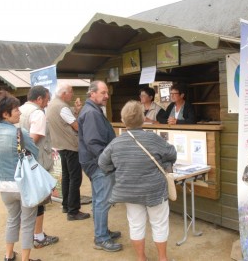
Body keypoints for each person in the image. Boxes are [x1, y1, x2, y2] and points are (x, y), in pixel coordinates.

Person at [99, 100, 177, 261]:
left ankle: (141, 258)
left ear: (123, 120)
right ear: (142, 119)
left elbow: (102, 163)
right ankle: (163, 258)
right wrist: (165, 163)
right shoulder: (153, 138)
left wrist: (117, 170)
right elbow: (172, 153)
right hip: (155, 190)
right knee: (159, 224)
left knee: (136, 224)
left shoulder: (116, 142)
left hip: (129, 190)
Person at [0, 90, 41, 261]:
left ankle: (9, 255)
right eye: (16, 109)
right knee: (27, 223)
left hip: (2, 184)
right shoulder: (20, 133)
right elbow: (35, 153)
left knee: (12, 219)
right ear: (5, 113)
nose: (20, 112)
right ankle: (25, 259)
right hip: (23, 184)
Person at [78, 80, 122, 252]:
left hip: (94, 163)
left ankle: (102, 232)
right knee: (102, 201)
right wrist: (108, 161)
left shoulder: (92, 110)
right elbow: (94, 143)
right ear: (92, 93)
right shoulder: (91, 113)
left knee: (98, 200)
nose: (106, 96)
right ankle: (101, 238)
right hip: (98, 164)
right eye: (103, 93)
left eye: (107, 92)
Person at [18, 86, 59, 249]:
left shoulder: (20, 110)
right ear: (40, 99)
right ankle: (39, 236)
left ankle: (34, 235)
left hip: (23, 163)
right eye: (47, 99)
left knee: (28, 200)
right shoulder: (37, 113)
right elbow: (33, 139)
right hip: (36, 163)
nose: (47, 103)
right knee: (39, 201)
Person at [46, 81, 90, 221]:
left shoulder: (52, 105)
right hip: (71, 145)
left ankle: (66, 205)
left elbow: (65, 120)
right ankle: (73, 210)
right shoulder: (62, 107)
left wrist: (76, 110)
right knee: (75, 178)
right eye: (71, 91)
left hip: (60, 145)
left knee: (67, 176)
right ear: (64, 93)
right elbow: (76, 126)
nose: (73, 94)